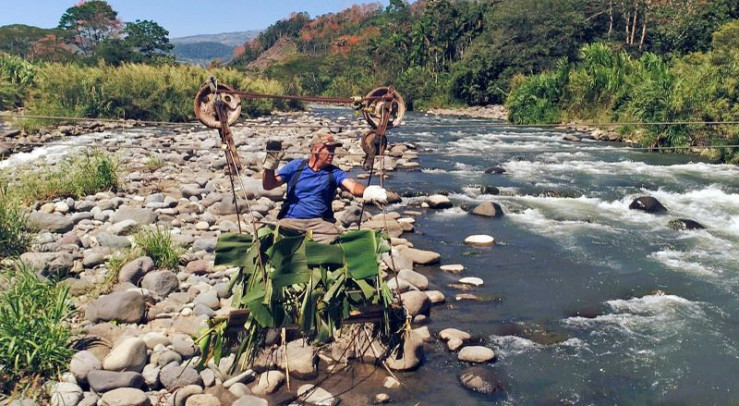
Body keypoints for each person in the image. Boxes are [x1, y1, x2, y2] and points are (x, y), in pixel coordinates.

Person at [262, 133, 387, 243]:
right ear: (316, 149)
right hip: (291, 221)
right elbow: (268, 185)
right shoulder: (296, 166)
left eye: (333, 149)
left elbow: (352, 187)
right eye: (329, 149)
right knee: (274, 244)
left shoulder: (334, 172)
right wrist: (270, 162)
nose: (332, 153)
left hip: (320, 224)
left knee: (334, 247)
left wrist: (368, 191)